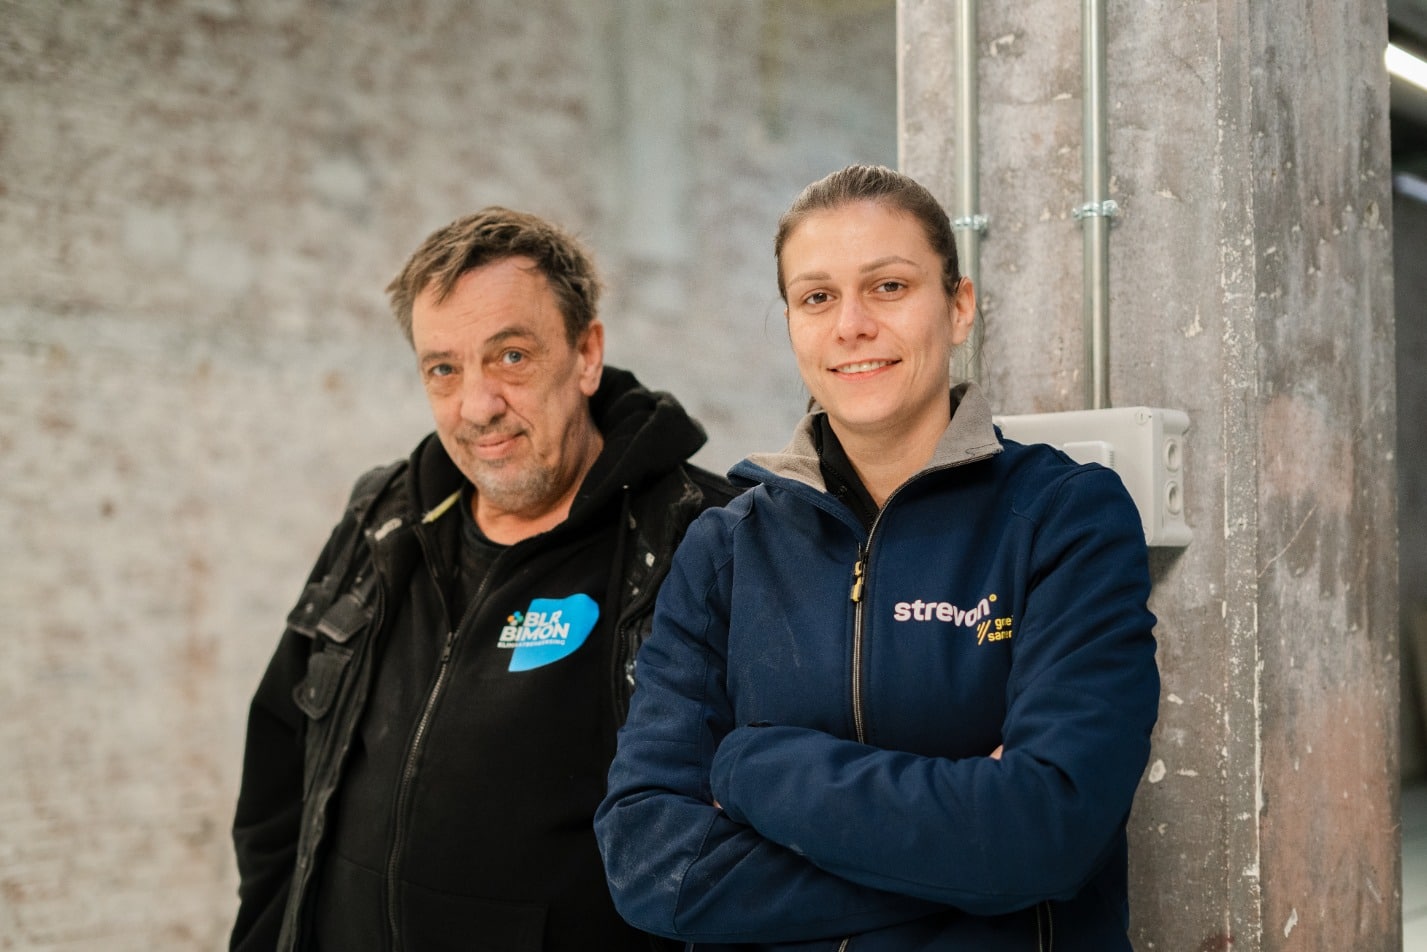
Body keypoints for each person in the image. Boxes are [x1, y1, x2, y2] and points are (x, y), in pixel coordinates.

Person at [594, 165, 1161, 951]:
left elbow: (1043, 834)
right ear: (791, 323)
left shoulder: (1063, 518)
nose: (850, 325)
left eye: (888, 287)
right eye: (816, 297)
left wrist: (751, 765)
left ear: (958, 306)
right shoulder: (726, 546)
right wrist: (967, 871)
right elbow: (653, 864)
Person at [230, 207, 734, 952]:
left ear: (586, 354)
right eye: (444, 369)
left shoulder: (701, 537)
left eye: (511, 356)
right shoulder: (384, 519)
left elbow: (744, 840)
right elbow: (278, 785)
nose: (477, 406)